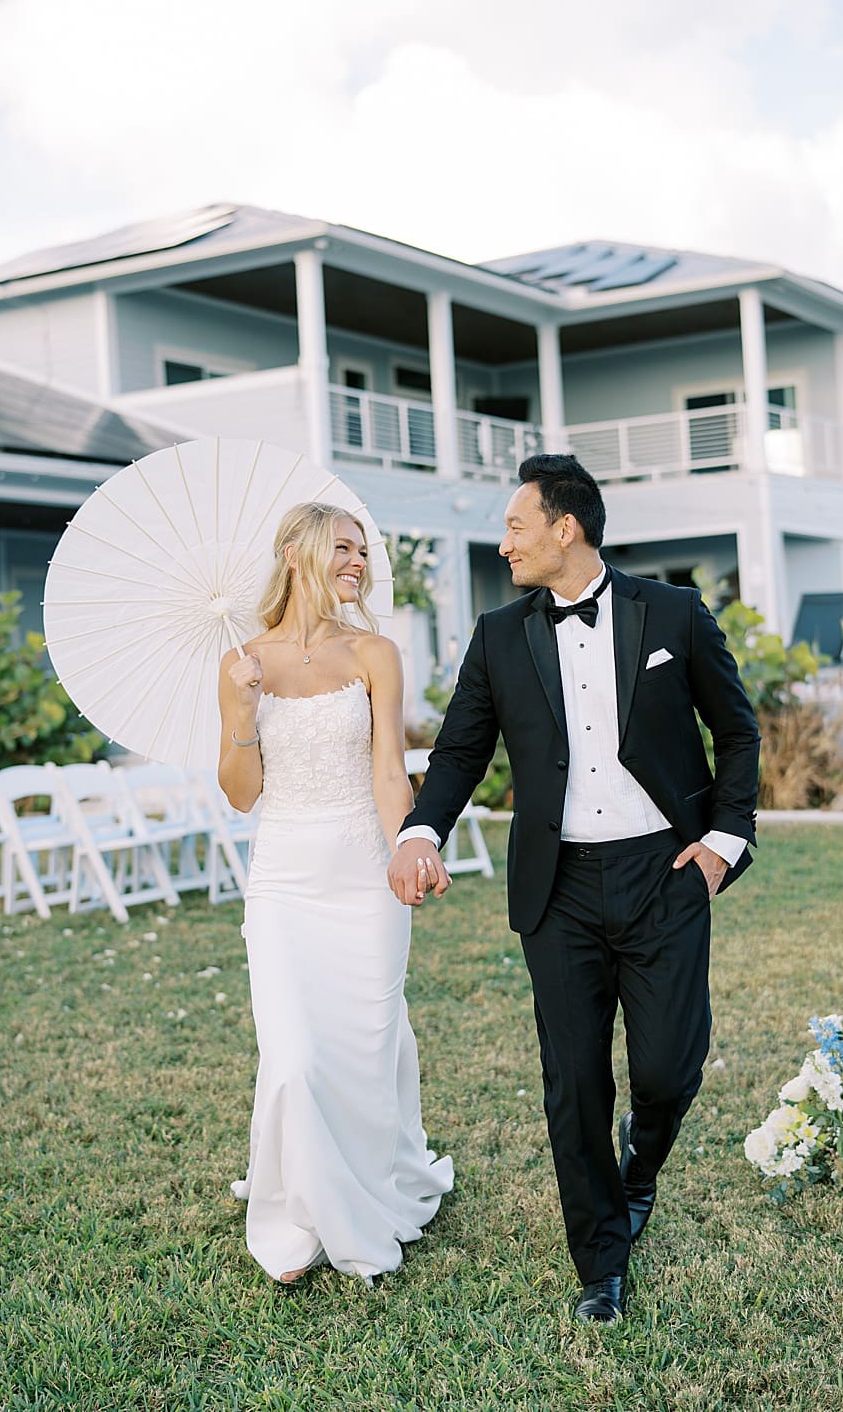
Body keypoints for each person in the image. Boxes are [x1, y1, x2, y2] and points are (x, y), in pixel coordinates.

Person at [389, 453, 760, 1323]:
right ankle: (601, 1260)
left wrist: (722, 841)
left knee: (669, 1067)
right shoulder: (497, 633)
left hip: (664, 873)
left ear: (567, 528)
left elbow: (737, 732)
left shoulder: (671, 613)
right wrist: (418, 830)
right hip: (556, 887)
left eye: (516, 525)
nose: (504, 540)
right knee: (574, 1080)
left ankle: (643, 1163)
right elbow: (459, 753)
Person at [216, 501, 453, 1285]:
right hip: (284, 879)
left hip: (363, 875)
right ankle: (298, 1219)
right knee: (292, 1057)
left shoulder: (376, 653)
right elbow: (242, 793)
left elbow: (390, 770)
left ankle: (365, 1194)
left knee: (364, 1047)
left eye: (362, 550)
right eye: (343, 547)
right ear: (295, 553)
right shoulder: (240, 661)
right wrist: (242, 709)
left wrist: (413, 846)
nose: (359, 561)